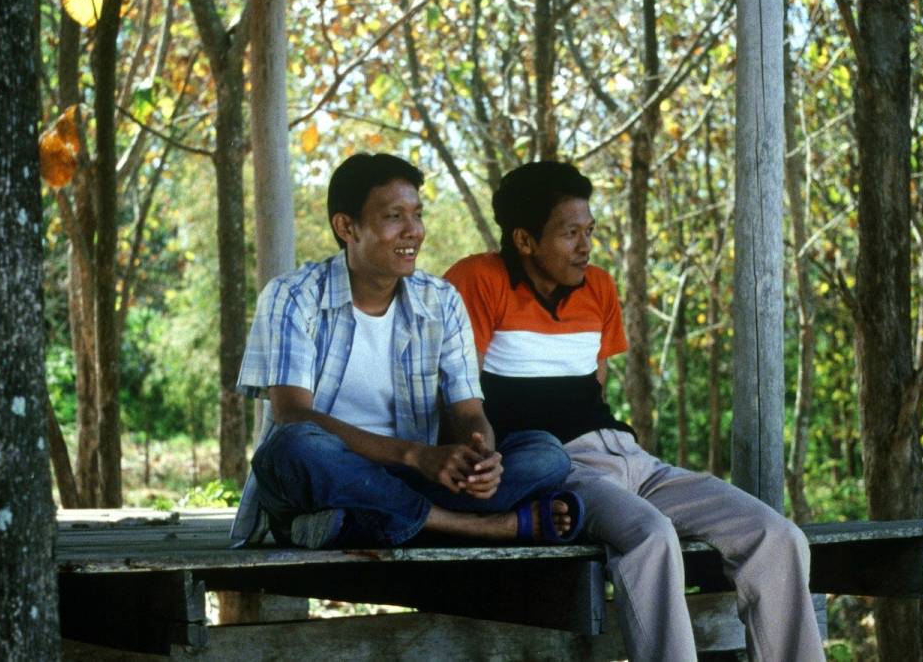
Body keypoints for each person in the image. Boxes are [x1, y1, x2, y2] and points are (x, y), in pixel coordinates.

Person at [444, 161, 825, 661]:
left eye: (589, 231)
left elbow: (595, 381)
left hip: (631, 457)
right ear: (524, 239)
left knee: (777, 535)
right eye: (570, 234)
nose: (585, 246)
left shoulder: (598, 286)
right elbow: (460, 396)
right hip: (559, 469)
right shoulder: (478, 279)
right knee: (651, 538)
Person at [228, 153, 582, 550]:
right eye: (394, 217)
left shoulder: (441, 301)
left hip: (412, 480)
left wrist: (480, 454)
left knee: (547, 454)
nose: (413, 231)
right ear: (347, 227)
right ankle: (481, 528)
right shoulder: (293, 295)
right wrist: (416, 455)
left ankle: (356, 523)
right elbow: (292, 415)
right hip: (325, 476)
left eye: (417, 215)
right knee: (295, 448)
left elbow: (468, 411)